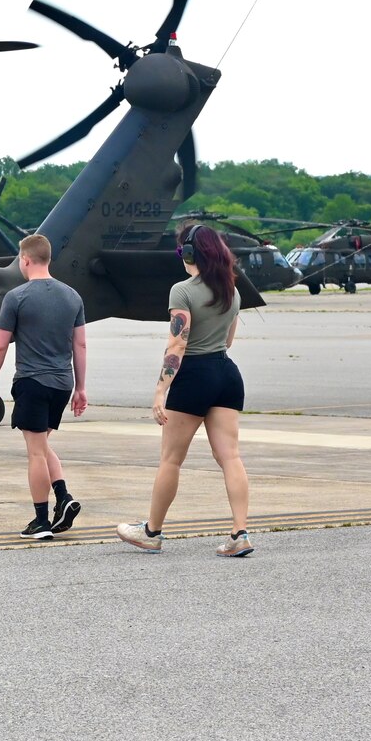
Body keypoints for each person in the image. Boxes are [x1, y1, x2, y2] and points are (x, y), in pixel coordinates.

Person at [117, 223, 252, 556]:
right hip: (226, 372)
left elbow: (178, 344)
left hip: (193, 374)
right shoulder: (232, 290)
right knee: (230, 457)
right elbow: (229, 340)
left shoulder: (182, 290)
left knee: (171, 460)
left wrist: (161, 390)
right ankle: (240, 533)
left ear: (189, 253)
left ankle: (152, 531)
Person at [0, 233, 87, 540]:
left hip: (32, 381)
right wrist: (81, 388)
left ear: (25, 260)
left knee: (35, 454)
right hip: (62, 383)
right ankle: (64, 497)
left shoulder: (16, 297)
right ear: (49, 259)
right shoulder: (72, 296)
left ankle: (41, 520)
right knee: (41, 445)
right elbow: (80, 345)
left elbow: (0, 346)